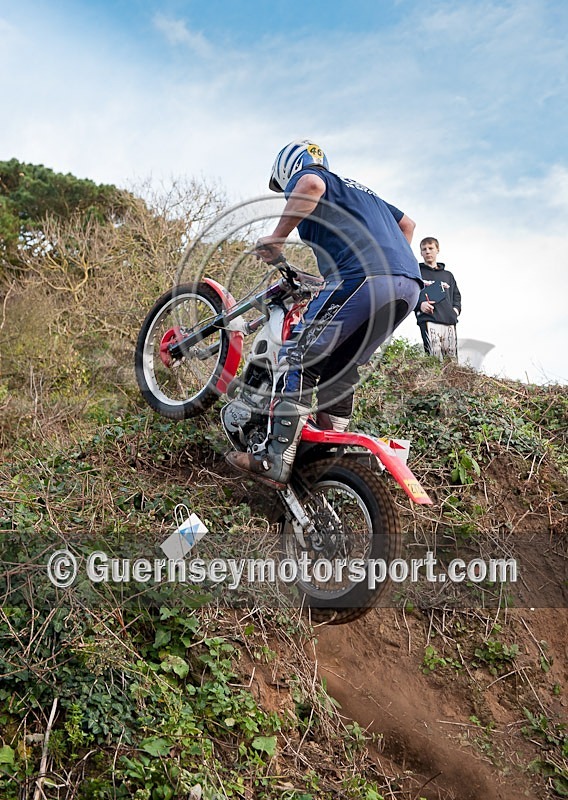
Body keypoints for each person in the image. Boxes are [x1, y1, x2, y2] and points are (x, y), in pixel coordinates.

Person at [226, 139, 423, 488]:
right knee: (341, 367)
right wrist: (388, 264)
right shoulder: (364, 195)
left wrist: (277, 237)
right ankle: (327, 455)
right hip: (407, 285)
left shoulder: (317, 180)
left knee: (298, 356)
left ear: (288, 168)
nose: (287, 194)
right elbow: (407, 224)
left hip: (365, 277)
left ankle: (275, 459)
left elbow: (311, 184)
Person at [415, 237, 462, 359]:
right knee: (434, 359)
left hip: (449, 321)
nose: (428, 251)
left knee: (451, 363)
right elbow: (408, 294)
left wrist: (455, 311)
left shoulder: (448, 275)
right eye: (424, 249)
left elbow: (456, 295)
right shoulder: (416, 272)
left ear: (437, 250)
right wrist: (420, 305)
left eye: (431, 248)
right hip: (428, 320)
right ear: (421, 253)